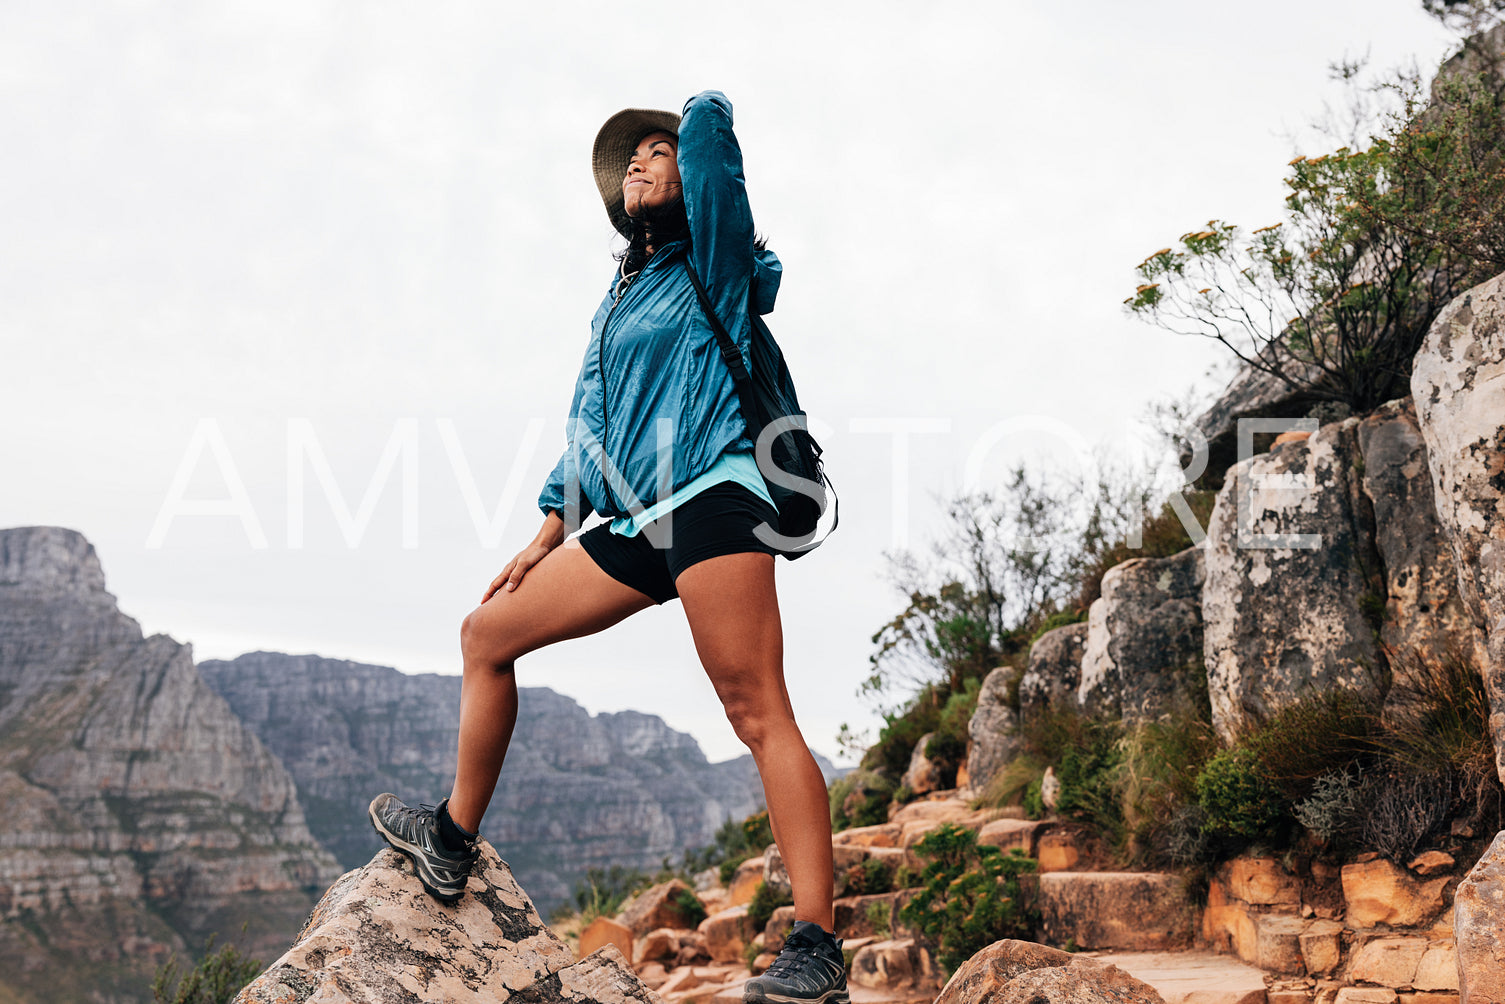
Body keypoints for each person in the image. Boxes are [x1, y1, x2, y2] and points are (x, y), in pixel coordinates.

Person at [368, 90, 847, 1004]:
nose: (638, 161)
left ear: (692, 179)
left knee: (754, 709)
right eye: (629, 159)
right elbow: (592, 425)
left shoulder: (721, 254)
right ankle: (451, 841)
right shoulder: (620, 299)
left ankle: (816, 945)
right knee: (485, 634)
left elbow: (711, 139)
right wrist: (549, 528)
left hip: (719, 488)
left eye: (655, 153)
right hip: (636, 517)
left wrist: (691, 116)